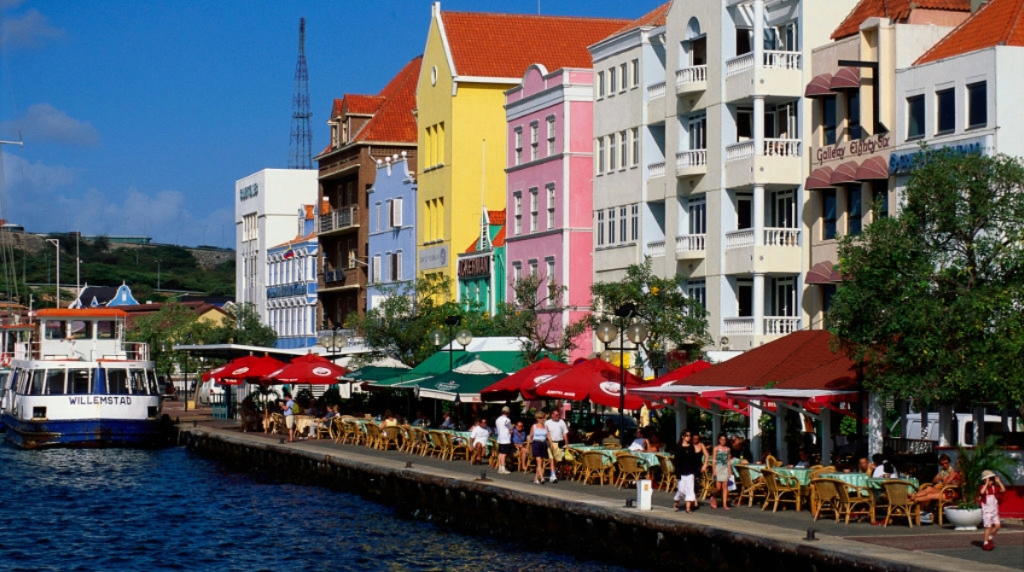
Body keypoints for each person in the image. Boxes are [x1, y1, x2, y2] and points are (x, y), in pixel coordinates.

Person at [671, 430, 706, 513]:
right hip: (681, 471)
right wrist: (677, 472)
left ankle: (688, 508)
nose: (688, 437)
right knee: (681, 489)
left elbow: (694, 459)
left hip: (690, 471)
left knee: (690, 489)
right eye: (687, 435)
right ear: (682, 436)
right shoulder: (678, 447)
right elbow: (676, 461)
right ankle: (676, 501)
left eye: (689, 436)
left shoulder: (691, 447)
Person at [980, 470, 1006, 551]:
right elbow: (982, 492)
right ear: (985, 480)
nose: (991, 481)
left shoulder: (994, 488)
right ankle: (985, 542)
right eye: (989, 480)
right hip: (987, 511)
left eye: (992, 480)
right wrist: (986, 483)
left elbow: (1003, 490)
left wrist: (999, 482)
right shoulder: (982, 487)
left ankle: (990, 538)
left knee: (998, 526)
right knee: (988, 527)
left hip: (994, 510)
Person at [544, 410, 568, 483]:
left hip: (560, 443)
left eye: (559, 415)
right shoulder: (547, 423)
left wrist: (567, 443)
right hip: (551, 442)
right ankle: (553, 475)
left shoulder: (562, 422)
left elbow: (565, 433)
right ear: (552, 415)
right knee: (552, 459)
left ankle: (556, 474)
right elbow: (547, 434)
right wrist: (551, 443)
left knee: (559, 461)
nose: (558, 416)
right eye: (556, 415)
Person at [528, 412, 552, 485]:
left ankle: (536, 478)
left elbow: (548, 436)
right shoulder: (534, 426)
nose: (541, 419)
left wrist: (551, 444)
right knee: (539, 461)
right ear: (537, 419)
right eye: (539, 418)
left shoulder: (545, 427)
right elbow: (530, 436)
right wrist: (528, 446)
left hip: (543, 443)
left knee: (540, 462)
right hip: (536, 443)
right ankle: (542, 477)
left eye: (542, 418)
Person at [710, 434, 732, 509]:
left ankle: (724, 504)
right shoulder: (716, 449)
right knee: (718, 487)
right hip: (718, 468)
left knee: (725, 486)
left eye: (724, 440)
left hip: (725, 468)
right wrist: (714, 470)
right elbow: (713, 460)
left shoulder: (728, 449)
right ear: (719, 440)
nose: (723, 441)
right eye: (721, 440)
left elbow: (728, 460)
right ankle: (713, 496)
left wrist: (730, 470)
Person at [495, 407, 513, 474]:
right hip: (506, 438)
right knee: (504, 454)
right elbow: (510, 429)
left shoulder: (497, 419)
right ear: (508, 412)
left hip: (500, 438)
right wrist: (511, 430)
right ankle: (503, 468)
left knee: (500, 453)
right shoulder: (507, 420)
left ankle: (500, 468)